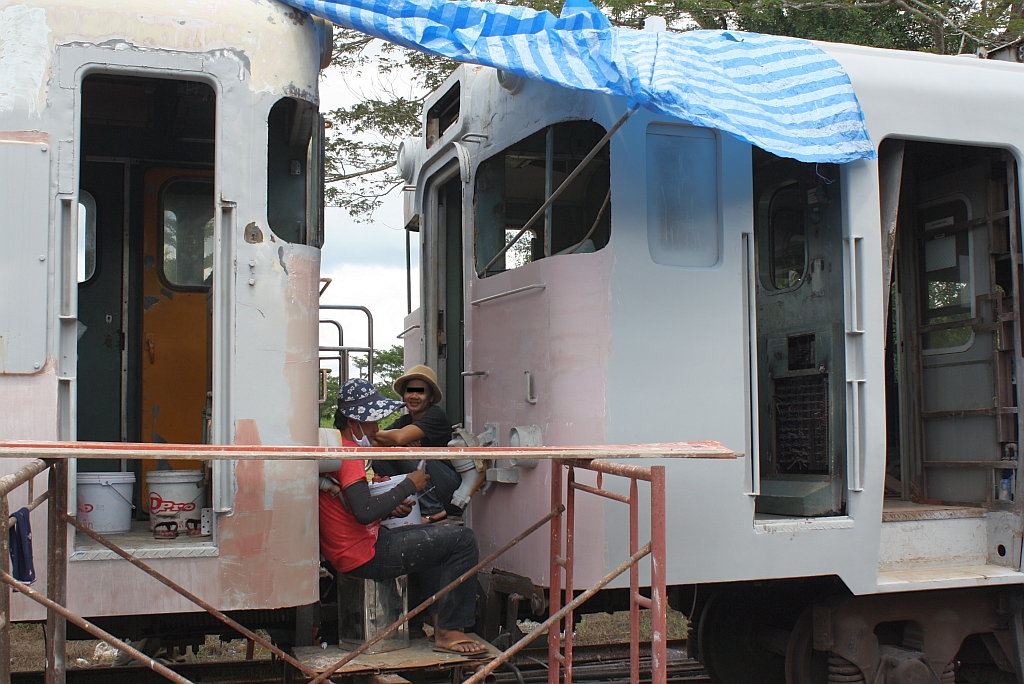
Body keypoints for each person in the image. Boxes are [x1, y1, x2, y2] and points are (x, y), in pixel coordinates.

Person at [319, 378, 487, 656]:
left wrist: (390, 504)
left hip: (353, 549)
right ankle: (449, 630)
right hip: (364, 554)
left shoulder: (338, 447)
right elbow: (364, 512)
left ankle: (437, 622)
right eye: (372, 422)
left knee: (434, 541)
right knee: (464, 540)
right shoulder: (349, 454)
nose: (376, 429)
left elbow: (354, 504)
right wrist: (409, 484)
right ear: (353, 422)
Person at [371, 365, 461, 523]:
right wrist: (389, 438)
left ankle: (433, 510)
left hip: (446, 483)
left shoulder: (436, 415)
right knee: (380, 458)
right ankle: (401, 504)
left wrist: (395, 439)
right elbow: (374, 443)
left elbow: (398, 438)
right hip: (423, 482)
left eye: (420, 392)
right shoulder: (405, 420)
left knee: (404, 451)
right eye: (409, 391)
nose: (414, 396)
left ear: (431, 397)